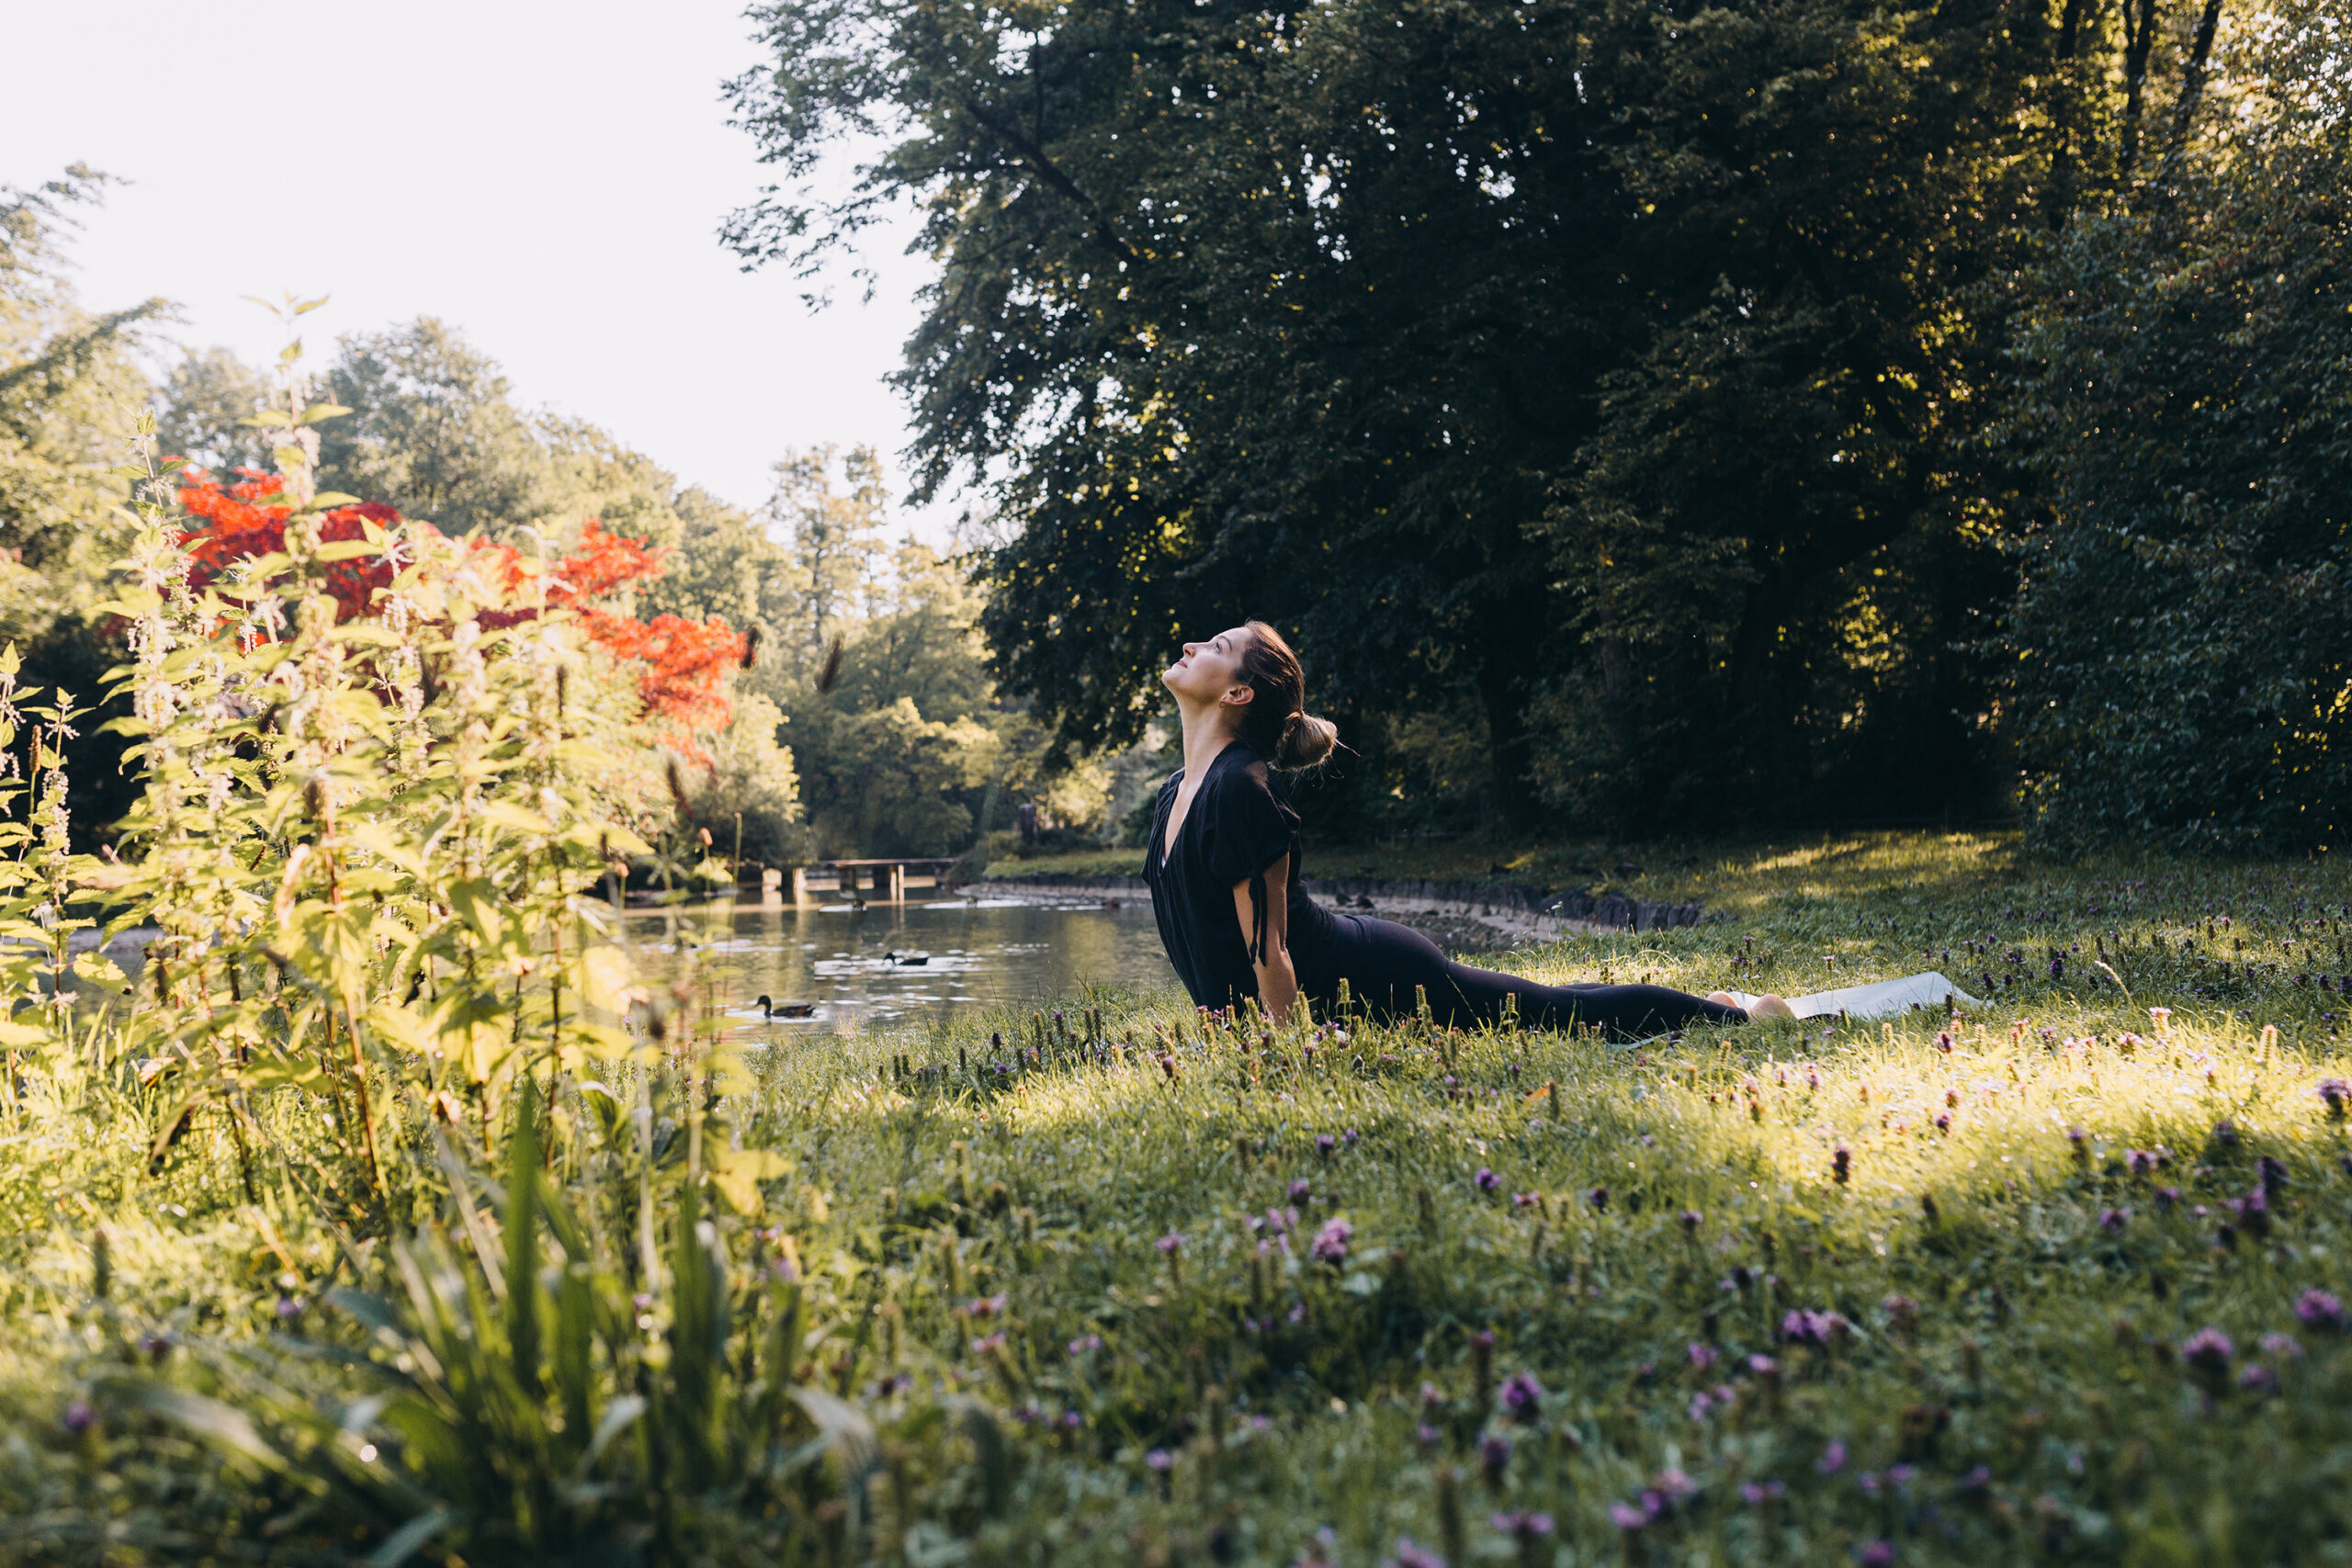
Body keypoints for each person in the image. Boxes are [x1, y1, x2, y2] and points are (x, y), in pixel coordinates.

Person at [1142, 622, 1793, 1040]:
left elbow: (1270, 954)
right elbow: (1200, 944)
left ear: (1237, 695)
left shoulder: (1239, 789)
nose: (1192, 645)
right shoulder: (1177, 792)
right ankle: (1707, 1004)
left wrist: (1283, 1061)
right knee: (1547, 1004)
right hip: (1353, 971)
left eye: (1216, 648)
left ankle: (1737, 1017)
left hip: (1377, 975)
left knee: (1562, 1017)